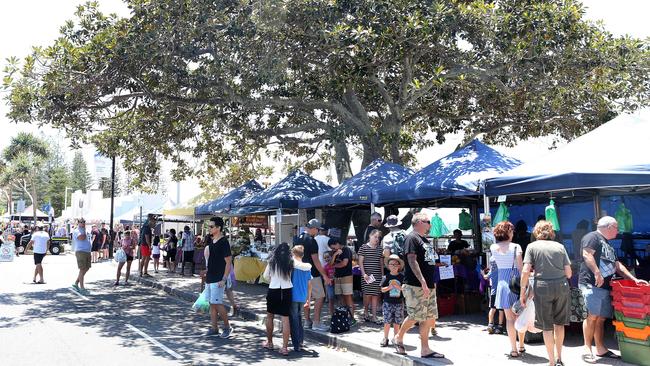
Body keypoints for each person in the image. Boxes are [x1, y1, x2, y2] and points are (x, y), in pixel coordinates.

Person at [579, 216, 647, 362]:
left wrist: (634, 280)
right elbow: (586, 254)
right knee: (592, 316)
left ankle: (600, 349)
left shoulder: (608, 244)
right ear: (608, 227)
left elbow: (617, 265)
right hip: (592, 283)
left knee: (601, 318)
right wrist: (597, 272)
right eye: (616, 227)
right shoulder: (593, 237)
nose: (619, 230)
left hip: (605, 286)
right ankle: (586, 348)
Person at [521, 220, 572, 366]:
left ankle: (551, 361)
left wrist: (522, 293)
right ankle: (559, 358)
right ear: (551, 232)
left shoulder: (532, 247)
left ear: (536, 232)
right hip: (562, 286)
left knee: (546, 326)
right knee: (559, 324)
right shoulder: (560, 247)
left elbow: (525, 271)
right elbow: (569, 273)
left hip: (542, 287)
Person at [394, 212, 444, 359]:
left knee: (428, 318)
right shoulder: (412, 238)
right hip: (416, 285)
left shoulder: (423, 239)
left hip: (428, 285)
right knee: (415, 316)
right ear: (420, 222)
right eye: (428, 221)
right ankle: (399, 337)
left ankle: (425, 349)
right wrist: (422, 281)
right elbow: (412, 260)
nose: (430, 224)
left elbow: (427, 260)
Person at [490, 221, 526, 358]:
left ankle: (513, 349)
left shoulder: (493, 247)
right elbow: (521, 269)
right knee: (520, 316)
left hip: (502, 284)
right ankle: (521, 344)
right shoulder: (516, 246)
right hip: (516, 284)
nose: (513, 233)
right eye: (511, 230)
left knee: (509, 319)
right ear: (508, 232)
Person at [202, 217, 233, 338]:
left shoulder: (223, 242)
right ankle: (214, 327)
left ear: (218, 228)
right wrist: (206, 271)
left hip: (219, 278)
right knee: (212, 304)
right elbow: (213, 260)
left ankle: (227, 327)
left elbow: (228, 262)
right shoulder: (212, 241)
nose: (209, 228)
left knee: (218, 303)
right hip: (210, 277)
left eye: (211, 226)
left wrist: (224, 278)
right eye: (208, 226)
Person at [262, 242, 293, 356]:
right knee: (285, 319)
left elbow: (265, 276)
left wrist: (272, 281)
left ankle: (270, 342)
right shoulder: (291, 262)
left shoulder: (272, 262)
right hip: (287, 290)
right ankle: (284, 348)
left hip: (274, 289)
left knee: (270, 316)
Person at [300, 219, 331, 331]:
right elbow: (316, 261)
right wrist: (325, 275)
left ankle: (307, 320)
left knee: (306, 298)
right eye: (317, 229)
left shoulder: (298, 238)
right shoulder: (311, 241)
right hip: (312, 273)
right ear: (313, 228)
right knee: (320, 296)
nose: (317, 232)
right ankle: (316, 322)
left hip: (300, 273)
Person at [328, 236, 356, 326]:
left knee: (348, 297)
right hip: (337, 277)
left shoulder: (346, 250)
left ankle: (352, 318)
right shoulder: (334, 252)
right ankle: (344, 315)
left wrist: (334, 266)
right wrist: (335, 255)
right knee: (340, 297)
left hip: (346, 276)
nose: (332, 249)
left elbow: (344, 263)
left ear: (337, 243)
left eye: (333, 247)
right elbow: (330, 263)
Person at [358, 229, 384, 324]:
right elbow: (360, 262)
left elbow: (381, 264)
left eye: (378, 237)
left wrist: (382, 276)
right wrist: (364, 274)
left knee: (375, 296)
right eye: (375, 237)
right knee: (367, 295)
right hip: (367, 276)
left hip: (377, 276)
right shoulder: (363, 247)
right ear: (370, 236)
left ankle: (374, 316)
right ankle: (365, 312)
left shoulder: (380, 249)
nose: (377, 239)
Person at [290, 245, 312, 352]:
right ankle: (301, 341)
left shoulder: (292, 266)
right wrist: (309, 299)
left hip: (293, 295)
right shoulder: (307, 267)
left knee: (294, 319)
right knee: (299, 318)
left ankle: (296, 343)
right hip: (303, 296)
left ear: (293, 254)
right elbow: (309, 285)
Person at [380, 254, 405, 347]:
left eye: (395, 264)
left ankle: (396, 338)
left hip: (399, 303)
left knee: (397, 323)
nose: (393, 266)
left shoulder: (402, 277)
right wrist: (390, 287)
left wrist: (398, 287)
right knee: (387, 322)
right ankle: (385, 338)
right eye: (391, 264)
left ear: (399, 266)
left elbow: (404, 288)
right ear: (388, 266)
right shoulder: (386, 277)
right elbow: (382, 289)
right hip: (387, 302)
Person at [72, 218, 92, 295]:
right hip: (81, 251)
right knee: (82, 269)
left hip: (87, 251)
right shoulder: (77, 230)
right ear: (78, 223)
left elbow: (88, 238)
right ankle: (82, 287)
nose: (83, 223)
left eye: (84, 222)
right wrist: (84, 231)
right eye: (81, 222)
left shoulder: (85, 230)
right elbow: (82, 238)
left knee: (87, 268)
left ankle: (76, 283)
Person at [323, 251, 336, 317]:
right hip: (330, 285)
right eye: (325, 258)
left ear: (332, 256)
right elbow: (325, 277)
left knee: (339, 298)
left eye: (328, 257)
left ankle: (340, 312)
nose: (326, 259)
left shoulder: (336, 265)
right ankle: (332, 314)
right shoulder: (325, 267)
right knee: (331, 299)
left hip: (337, 284)